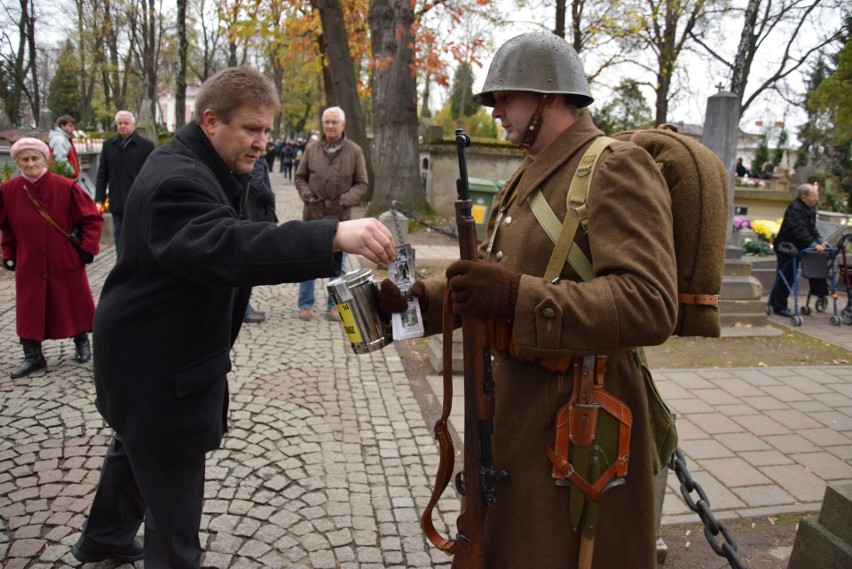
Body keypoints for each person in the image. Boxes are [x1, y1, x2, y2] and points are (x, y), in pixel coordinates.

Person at [69, 66, 395, 568]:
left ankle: (103, 539)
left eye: (266, 130)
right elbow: (227, 245)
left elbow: (245, 231)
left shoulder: (207, 165)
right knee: (174, 516)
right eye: (251, 129)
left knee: (134, 451)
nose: (262, 141)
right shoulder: (179, 179)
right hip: (155, 364)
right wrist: (330, 235)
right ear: (211, 121)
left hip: (146, 354)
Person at [379, 32, 677, 568]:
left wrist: (517, 296)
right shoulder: (527, 177)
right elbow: (493, 285)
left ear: (550, 97)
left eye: (505, 97)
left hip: (578, 424)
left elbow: (650, 303)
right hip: (517, 415)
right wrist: (416, 303)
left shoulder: (614, 167)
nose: (495, 111)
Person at [0, 137, 103, 378]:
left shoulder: (65, 186)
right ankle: (33, 356)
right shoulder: (7, 190)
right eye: (24, 159)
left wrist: (87, 248)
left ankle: (82, 343)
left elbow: (91, 219)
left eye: (35, 158)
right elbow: (6, 227)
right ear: (17, 162)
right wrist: (8, 254)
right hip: (29, 261)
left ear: (45, 159)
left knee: (72, 301)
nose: (30, 163)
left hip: (63, 256)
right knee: (30, 307)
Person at [294, 106, 368, 322]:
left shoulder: (354, 151)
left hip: (339, 217)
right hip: (313, 213)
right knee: (307, 261)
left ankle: (335, 306)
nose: (330, 126)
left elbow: (362, 183)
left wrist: (345, 200)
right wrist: (308, 196)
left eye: (334, 122)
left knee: (338, 264)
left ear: (343, 125)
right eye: (326, 122)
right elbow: (300, 177)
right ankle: (305, 304)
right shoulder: (311, 149)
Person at [95, 110, 155, 255]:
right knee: (120, 236)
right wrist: (99, 199)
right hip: (118, 200)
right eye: (119, 123)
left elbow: (153, 173)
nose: (122, 126)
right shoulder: (109, 145)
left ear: (133, 125)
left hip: (139, 200)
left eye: (126, 123)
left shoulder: (146, 146)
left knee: (139, 236)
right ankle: (121, 266)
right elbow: (103, 174)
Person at [768, 183, 829, 317]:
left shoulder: (810, 208)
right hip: (787, 246)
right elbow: (799, 231)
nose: (816, 199)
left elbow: (812, 229)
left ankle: (820, 293)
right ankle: (778, 305)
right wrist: (814, 244)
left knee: (794, 274)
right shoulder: (796, 209)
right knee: (786, 275)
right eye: (814, 196)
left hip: (799, 246)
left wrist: (820, 241)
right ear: (803, 197)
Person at [243, 155, 277, 323]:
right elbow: (255, 182)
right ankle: (245, 309)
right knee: (247, 267)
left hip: (255, 213)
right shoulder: (253, 159)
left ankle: (246, 307)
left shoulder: (256, 157)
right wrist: (270, 196)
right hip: (255, 214)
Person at [48, 115, 81, 180]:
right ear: (62, 126)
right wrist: (72, 172)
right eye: (70, 126)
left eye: (73, 126)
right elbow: (60, 160)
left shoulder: (63, 138)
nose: (73, 128)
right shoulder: (60, 140)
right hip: (64, 177)